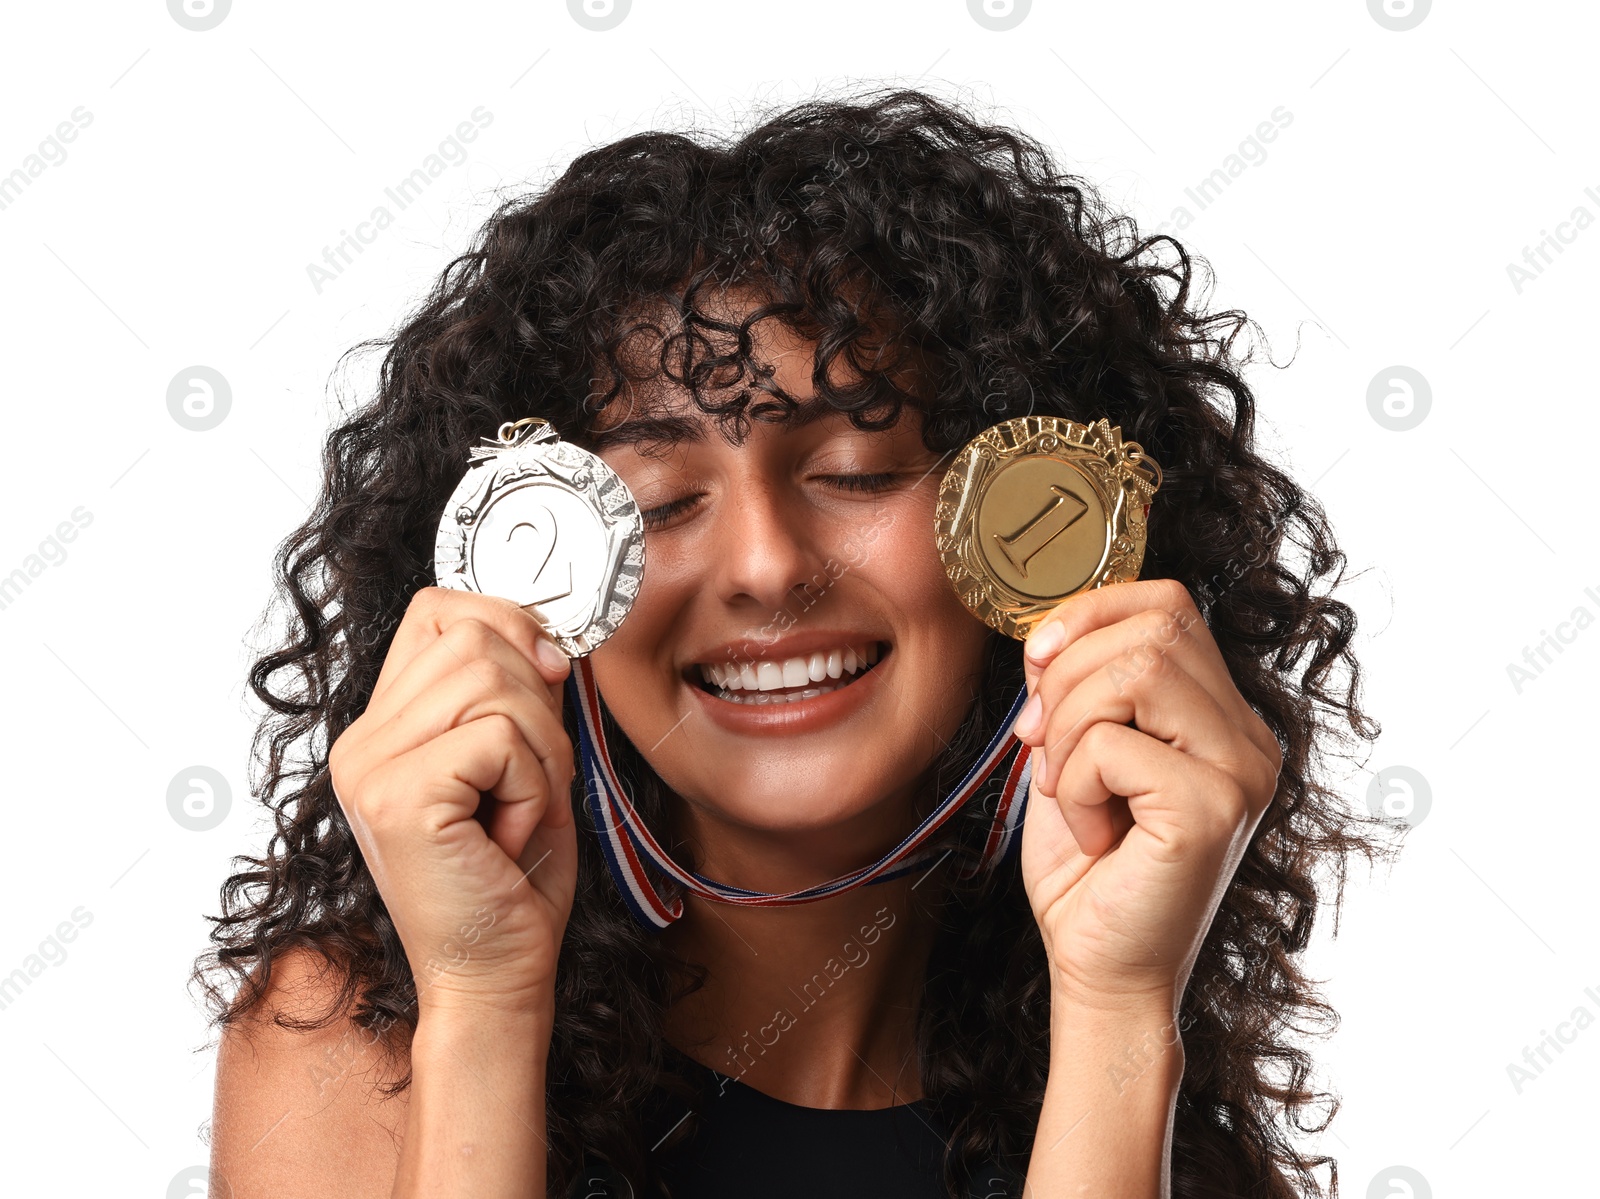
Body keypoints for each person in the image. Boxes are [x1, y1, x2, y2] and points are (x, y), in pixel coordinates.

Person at [194, 87, 1389, 1198]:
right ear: (523, 589)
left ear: (1032, 523)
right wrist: (482, 1001)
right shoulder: (354, 1044)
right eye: (658, 500)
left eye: (855, 468)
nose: (767, 564)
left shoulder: (1162, 1116)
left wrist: (1122, 1008)